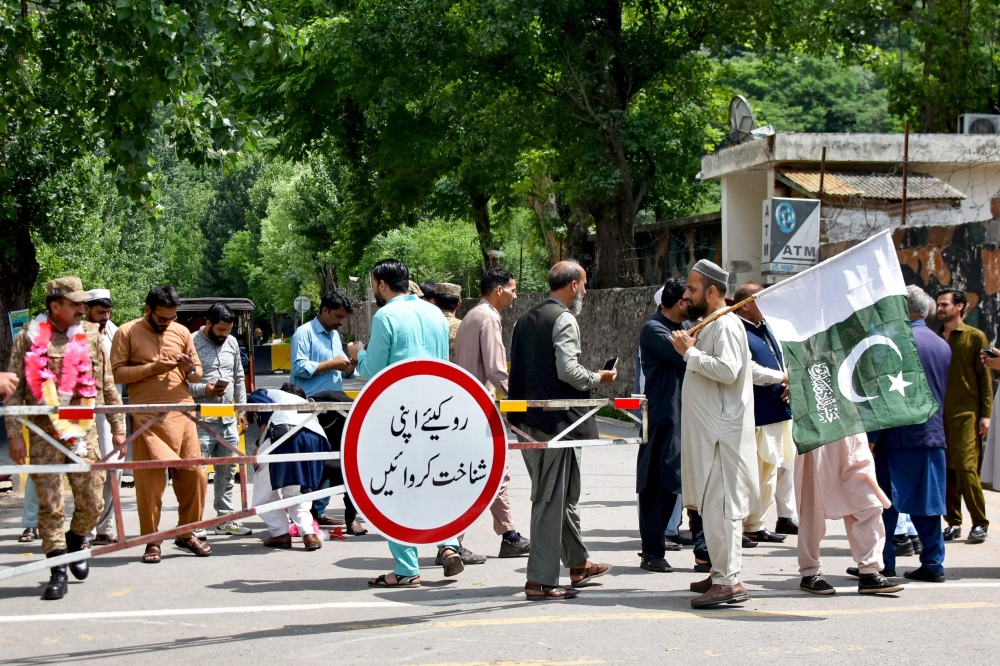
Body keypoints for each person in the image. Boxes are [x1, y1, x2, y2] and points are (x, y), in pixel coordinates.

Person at [345, 258, 465, 588]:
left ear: (382, 284)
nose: (373, 290)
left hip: (398, 414)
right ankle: (449, 543)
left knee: (396, 489)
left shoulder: (386, 316)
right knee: (437, 478)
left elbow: (373, 371)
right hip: (436, 412)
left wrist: (358, 354)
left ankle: (407, 568)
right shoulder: (435, 315)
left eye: (372, 285)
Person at [5, 277, 126, 599]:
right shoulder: (28, 339)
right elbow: (14, 391)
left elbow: (106, 384)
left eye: (82, 304)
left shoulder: (90, 336)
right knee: (51, 505)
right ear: (55, 306)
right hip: (43, 434)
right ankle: (57, 569)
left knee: (93, 499)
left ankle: (76, 539)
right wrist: (15, 436)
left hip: (82, 430)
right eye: (74, 304)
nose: (81, 310)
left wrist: (118, 426)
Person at [507, 260, 616, 600]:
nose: (585, 291)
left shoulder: (524, 319)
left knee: (560, 492)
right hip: (555, 423)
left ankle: (578, 563)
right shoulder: (564, 319)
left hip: (527, 420)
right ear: (572, 286)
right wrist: (600, 378)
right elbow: (568, 370)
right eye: (583, 284)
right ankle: (539, 581)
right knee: (551, 497)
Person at [668, 260, 758, 608]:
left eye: (691, 289)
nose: (686, 295)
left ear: (712, 291)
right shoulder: (712, 325)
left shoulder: (728, 326)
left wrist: (688, 352)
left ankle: (728, 581)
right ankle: (720, 572)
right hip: (710, 437)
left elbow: (729, 370)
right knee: (712, 508)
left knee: (723, 510)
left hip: (723, 437)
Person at [111, 285, 210, 564]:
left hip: (183, 414)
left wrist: (190, 367)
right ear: (148, 310)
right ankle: (151, 540)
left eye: (172, 317)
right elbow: (117, 372)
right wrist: (153, 368)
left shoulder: (180, 333)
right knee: (150, 485)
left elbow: (196, 373)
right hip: (146, 417)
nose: (168, 323)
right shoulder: (126, 332)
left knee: (196, 477)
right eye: (162, 318)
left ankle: (186, 532)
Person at [868, 286, 950, 583]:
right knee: (928, 503)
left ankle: (882, 562)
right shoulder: (941, 344)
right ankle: (933, 562)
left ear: (907, 309)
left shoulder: (894, 343)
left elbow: (882, 396)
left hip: (896, 436)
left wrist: (872, 437)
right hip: (931, 433)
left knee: (884, 503)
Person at [453, 266, 531, 558]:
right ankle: (453, 542)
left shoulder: (473, 315)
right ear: (499, 290)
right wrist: (523, 401)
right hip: (478, 409)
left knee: (486, 473)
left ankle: (508, 535)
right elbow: (498, 370)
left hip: (468, 407)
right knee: (491, 472)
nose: (515, 294)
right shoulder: (488, 318)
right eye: (512, 288)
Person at [288, 291, 364, 533]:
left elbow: (339, 373)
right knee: (316, 461)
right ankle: (311, 512)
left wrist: (349, 367)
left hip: (334, 409)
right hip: (311, 409)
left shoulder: (334, 336)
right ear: (324, 311)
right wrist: (332, 363)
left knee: (341, 459)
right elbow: (299, 367)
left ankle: (323, 511)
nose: (341, 322)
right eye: (338, 316)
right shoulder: (304, 333)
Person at [732, 282, 793, 544]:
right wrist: (782, 376)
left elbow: (783, 360)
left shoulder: (767, 328)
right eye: (761, 301)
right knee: (750, 473)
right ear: (746, 304)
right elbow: (750, 370)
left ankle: (756, 524)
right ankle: (741, 524)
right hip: (754, 413)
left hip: (777, 411)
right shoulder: (737, 329)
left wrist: (790, 382)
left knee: (770, 472)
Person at [636, 277, 690, 573]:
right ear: (680, 302)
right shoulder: (654, 328)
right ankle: (652, 551)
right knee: (656, 484)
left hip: (684, 414)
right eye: (689, 297)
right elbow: (686, 354)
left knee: (673, 482)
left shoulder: (682, 329)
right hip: (662, 415)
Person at [188, 302, 251, 537]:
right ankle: (194, 523)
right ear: (208, 323)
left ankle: (225, 518)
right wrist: (205, 389)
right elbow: (182, 383)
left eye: (228, 330)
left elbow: (238, 376)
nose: (225, 335)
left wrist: (242, 411)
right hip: (200, 419)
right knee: (197, 472)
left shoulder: (232, 343)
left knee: (228, 469)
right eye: (220, 330)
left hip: (227, 418)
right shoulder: (191, 342)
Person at [937, 289, 992, 543]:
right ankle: (953, 522)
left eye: (945, 304)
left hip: (967, 414)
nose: (940, 308)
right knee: (946, 470)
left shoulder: (974, 337)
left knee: (967, 468)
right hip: (939, 415)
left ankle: (979, 522)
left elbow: (985, 379)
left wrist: (986, 415)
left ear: (960, 307)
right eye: (938, 304)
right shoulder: (936, 337)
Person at [248, 384, 329, 551]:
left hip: (284, 433)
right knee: (298, 492)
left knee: (264, 490)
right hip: (316, 439)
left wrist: (247, 414)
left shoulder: (267, 393)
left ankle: (280, 534)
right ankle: (308, 534)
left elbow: (259, 404)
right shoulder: (303, 404)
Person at [83, 288, 126, 545]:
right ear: (86, 309)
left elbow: (115, 378)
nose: (104, 317)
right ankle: (84, 532)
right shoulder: (71, 335)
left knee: (115, 470)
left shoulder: (114, 332)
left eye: (108, 312)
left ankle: (104, 528)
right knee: (88, 474)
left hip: (110, 411)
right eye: (100, 312)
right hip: (79, 414)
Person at [434, 282, 463, 360]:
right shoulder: (465, 327)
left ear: (434, 302)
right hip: (458, 371)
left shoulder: (428, 325)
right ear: (459, 304)